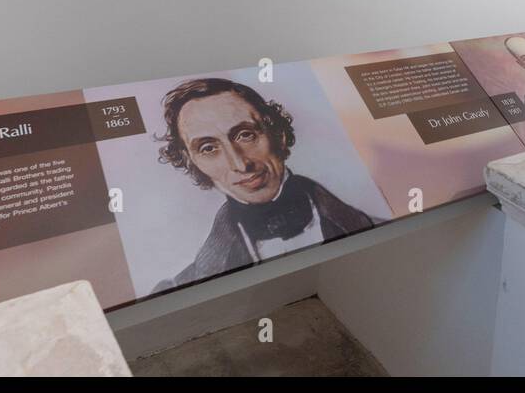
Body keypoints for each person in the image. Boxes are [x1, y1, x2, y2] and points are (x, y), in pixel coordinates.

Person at [153, 77, 374, 291]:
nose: (240, 163)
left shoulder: (372, 228)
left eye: (245, 135)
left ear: (278, 133)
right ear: (192, 162)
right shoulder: (177, 287)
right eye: (208, 148)